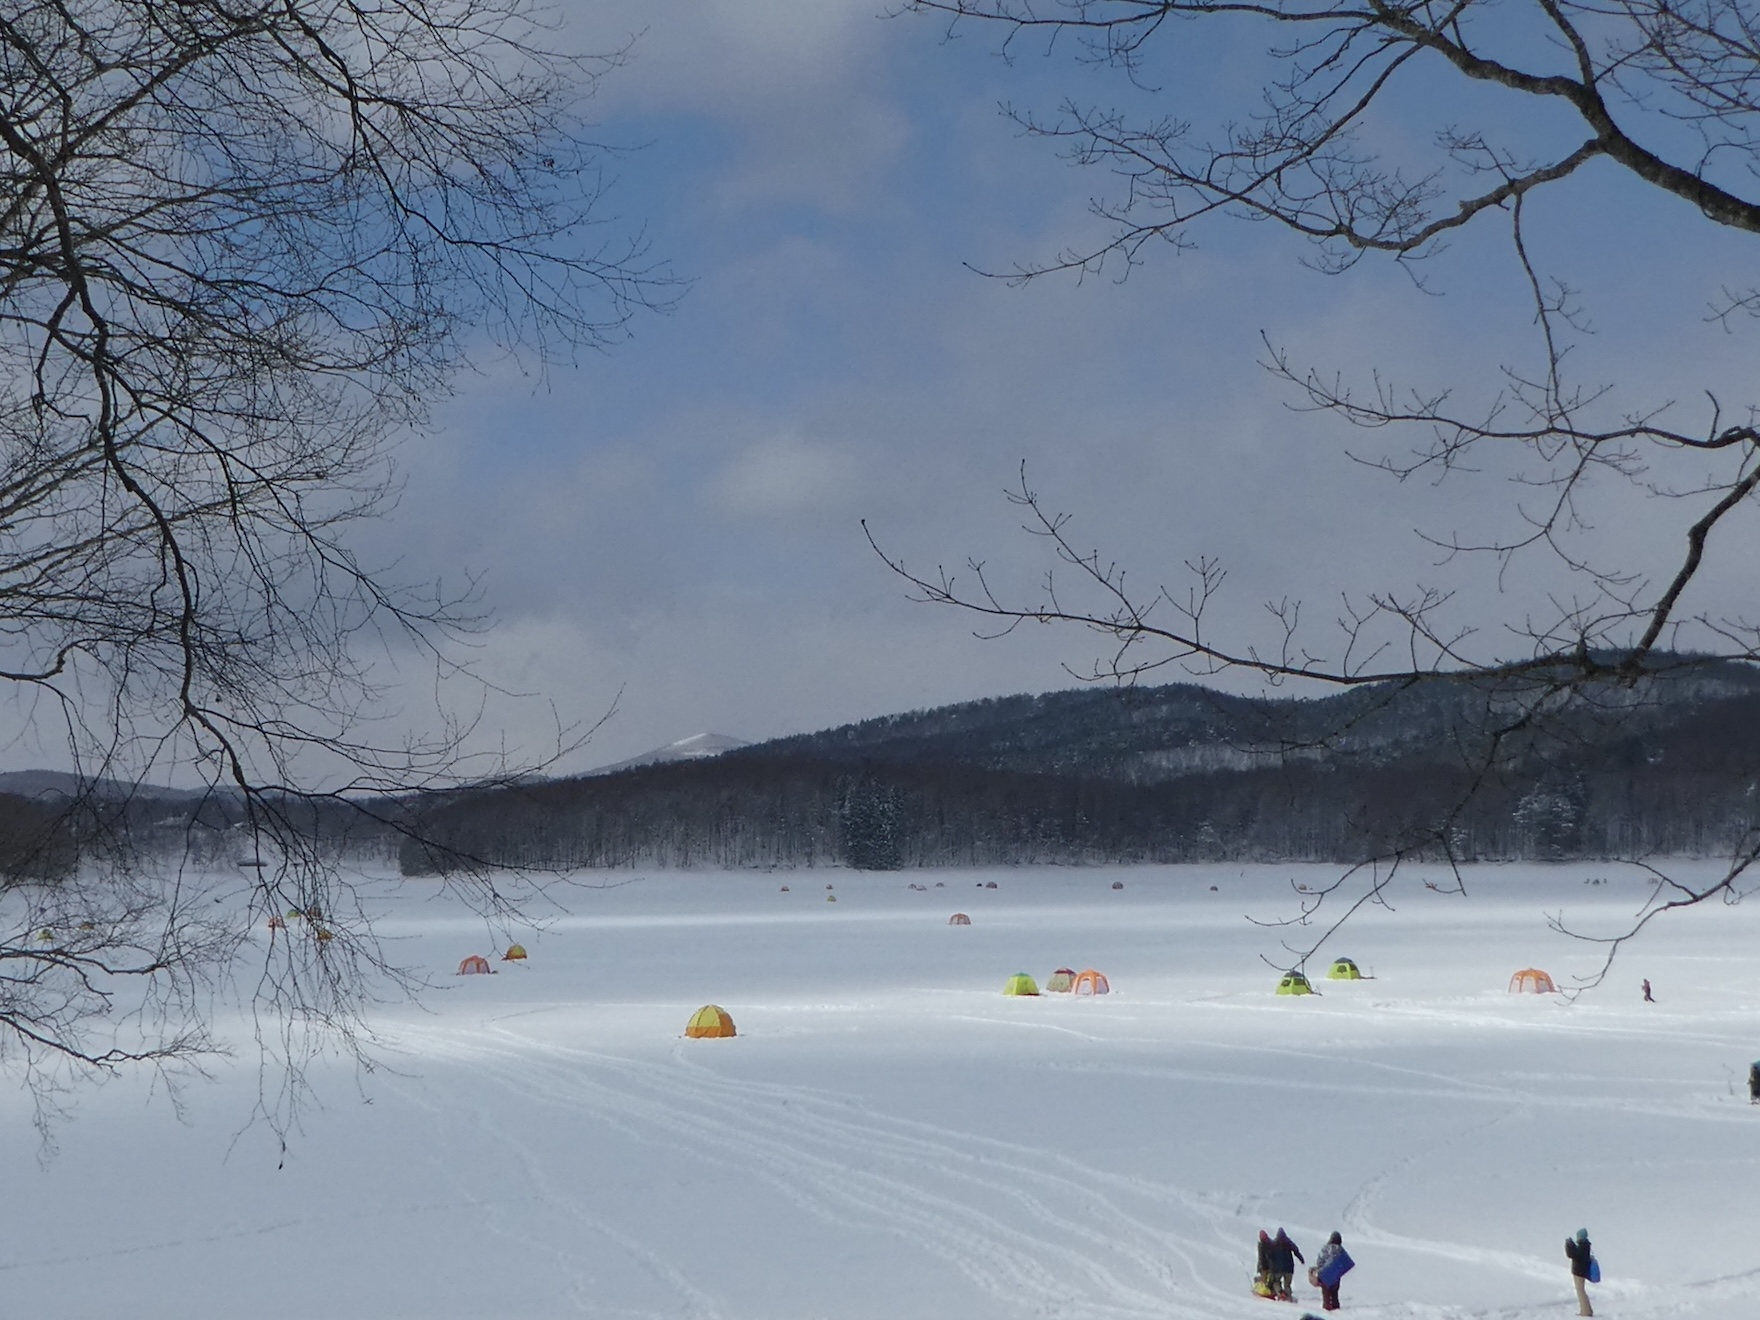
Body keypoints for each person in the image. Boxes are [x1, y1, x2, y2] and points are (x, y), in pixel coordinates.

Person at [1312, 1231, 1349, 1310]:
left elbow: (1320, 1260)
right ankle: (1335, 1306)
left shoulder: (1325, 1248)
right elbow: (1345, 1262)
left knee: (1326, 1292)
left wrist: (1320, 1268)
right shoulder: (1340, 1249)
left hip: (1325, 1274)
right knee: (1335, 1291)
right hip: (1336, 1275)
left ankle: (1327, 1305)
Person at [1564, 1228, 1594, 1316]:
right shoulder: (1584, 1245)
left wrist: (1569, 1245)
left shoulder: (1583, 1246)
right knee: (1581, 1291)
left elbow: (1573, 1255)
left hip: (1579, 1272)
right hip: (1581, 1271)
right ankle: (1587, 1310)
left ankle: (1585, 1311)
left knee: (1580, 1291)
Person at [1269, 1227, 1305, 1302]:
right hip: (1288, 1268)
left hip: (1277, 1268)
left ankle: (1280, 1293)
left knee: (1276, 1282)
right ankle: (1288, 1297)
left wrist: (1270, 1265)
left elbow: (1269, 1255)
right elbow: (1296, 1250)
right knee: (1287, 1284)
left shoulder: (1274, 1243)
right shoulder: (1288, 1242)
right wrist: (1301, 1259)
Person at [1254, 1229, 1274, 1297]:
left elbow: (1261, 1257)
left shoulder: (1262, 1245)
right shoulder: (1271, 1243)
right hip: (1271, 1266)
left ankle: (1264, 1291)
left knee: (1264, 1280)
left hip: (1264, 1266)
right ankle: (1270, 1291)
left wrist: (1259, 1267)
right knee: (1270, 1280)